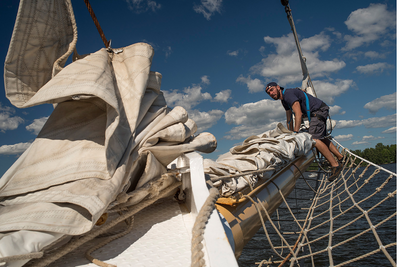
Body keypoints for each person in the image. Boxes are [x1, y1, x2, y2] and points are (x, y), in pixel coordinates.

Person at [265, 82, 344, 181]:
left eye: (272, 90)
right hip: (318, 111)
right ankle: (340, 157)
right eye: (269, 93)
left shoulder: (288, 94)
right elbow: (289, 119)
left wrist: (295, 133)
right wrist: (289, 135)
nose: (271, 93)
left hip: (318, 111)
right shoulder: (284, 101)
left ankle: (335, 165)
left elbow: (298, 113)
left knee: (313, 139)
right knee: (320, 139)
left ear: (278, 87)